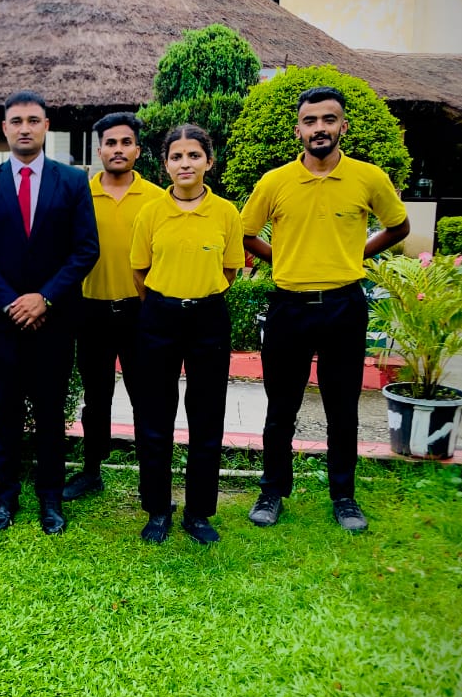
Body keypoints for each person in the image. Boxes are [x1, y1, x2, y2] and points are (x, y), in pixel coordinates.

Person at [241, 86, 410, 533]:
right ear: (298, 130)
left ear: (343, 127)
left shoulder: (368, 177)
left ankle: (344, 497)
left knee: (342, 407)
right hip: (289, 308)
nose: (320, 128)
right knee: (281, 408)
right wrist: (283, 259)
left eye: (328, 119)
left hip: (343, 306)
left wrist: (355, 256)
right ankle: (272, 491)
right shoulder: (274, 182)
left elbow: (398, 226)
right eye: (310, 121)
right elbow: (245, 233)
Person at [0, 90, 99, 534]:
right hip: (2, 322)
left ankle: (50, 497)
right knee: (5, 412)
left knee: (50, 413)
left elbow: (85, 249)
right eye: (17, 121)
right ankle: (5, 496)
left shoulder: (72, 181)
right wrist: (12, 301)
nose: (25, 128)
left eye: (33, 120)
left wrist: (45, 297)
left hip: (54, 321)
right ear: (4, 128)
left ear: (46, 126)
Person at [130, 125, 244, 544]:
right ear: (165, 164)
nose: (185, 164)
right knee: (154, 417)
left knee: (207, 416)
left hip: (208, 319)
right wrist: (167, 302)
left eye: (194, 155)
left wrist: (198, 297)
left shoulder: (226, 213)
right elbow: (140, 270)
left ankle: (198, 512)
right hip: (159, 317)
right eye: (176, 156)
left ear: (209, 161)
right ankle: (158, 508)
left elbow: (230, 270)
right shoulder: (151, 213)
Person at [64, 112, 159, 501]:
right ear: (99, 149)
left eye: (125, 142)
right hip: (91, 311)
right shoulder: (79, 196)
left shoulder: (158, 198)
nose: (118, 149)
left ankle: (151, 480)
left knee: (146, 399)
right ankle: (91, 471)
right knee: (96, 398)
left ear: (138, 149)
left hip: (141, 312)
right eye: (110, 143)